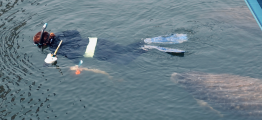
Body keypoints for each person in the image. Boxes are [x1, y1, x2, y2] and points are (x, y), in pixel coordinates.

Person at [33, 24, 187, 65]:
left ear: (44, 44)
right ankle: (145, 41)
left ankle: (146, 47)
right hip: (96, 41)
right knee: (124, 49)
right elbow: (76, 33)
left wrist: (78, 65)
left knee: (123, 61)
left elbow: (75, 57)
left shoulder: (55, 49)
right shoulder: (60, 34)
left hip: (95, 52)